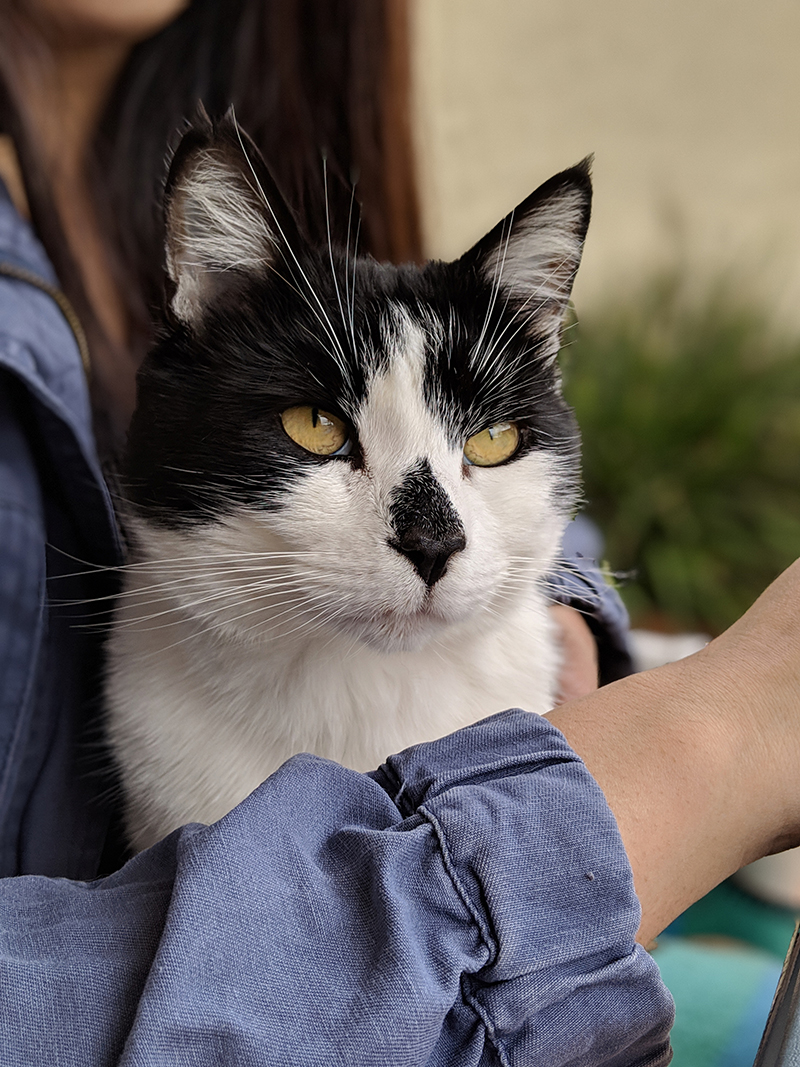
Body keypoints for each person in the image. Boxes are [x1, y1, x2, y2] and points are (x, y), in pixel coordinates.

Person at [1, 1, 794, 1063]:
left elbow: (520, 514)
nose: (432, 536)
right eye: (319, 429)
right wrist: (704, 747)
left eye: (493, 439)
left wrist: (570, 617)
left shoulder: (233, 145)